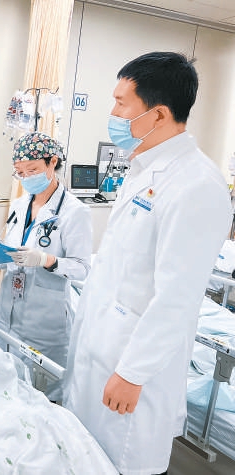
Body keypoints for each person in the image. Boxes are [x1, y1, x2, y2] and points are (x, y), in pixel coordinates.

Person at [63, 52, 232, 475]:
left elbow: (178, 297)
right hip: (100, 351)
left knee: (122, 464)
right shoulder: (142, 170)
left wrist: (133, 372)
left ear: (158, 114)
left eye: (121, 103)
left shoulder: (197, 184)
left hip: (131, 370)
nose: (113, 113)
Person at [0, 132, 92, 402]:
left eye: (32, 170)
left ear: (53, 162)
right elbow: (13, 252)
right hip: (6, 314)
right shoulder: (19, 205)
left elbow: (82, 268)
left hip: (44, 324)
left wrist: (46, 260)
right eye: (20, 172)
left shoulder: (75, 212)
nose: (26, 177)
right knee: (2, 388)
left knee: (40, 400)